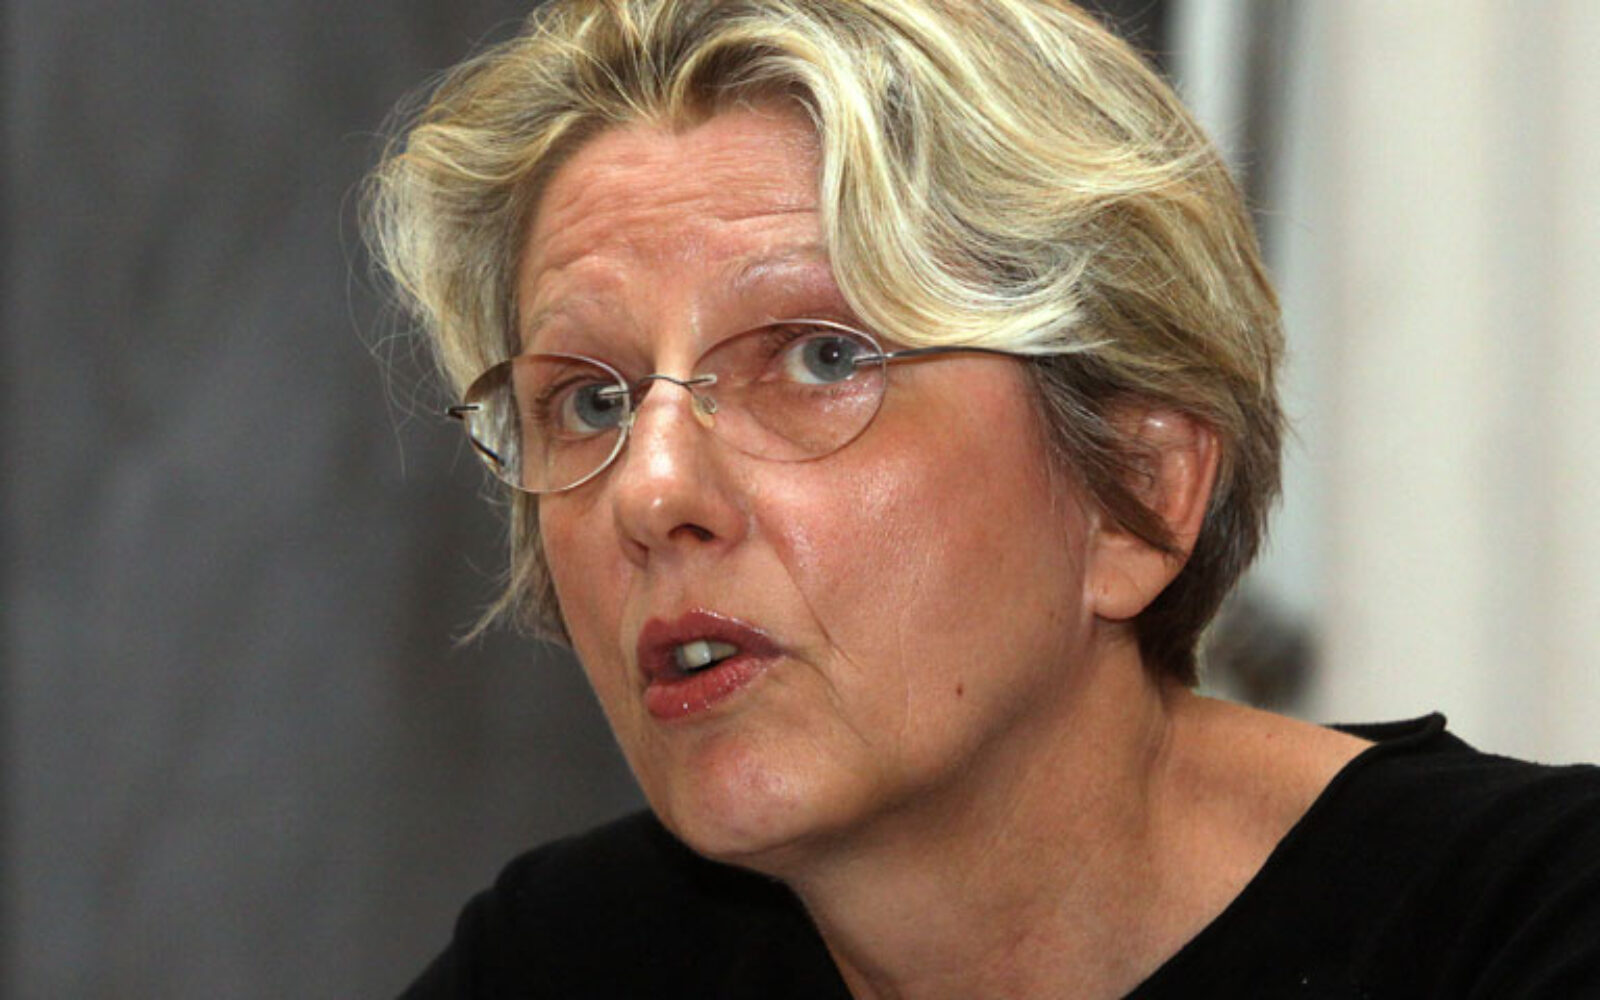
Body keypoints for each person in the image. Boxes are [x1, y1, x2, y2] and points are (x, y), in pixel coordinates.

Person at [366, 1, 1600, 996]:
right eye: (590, 400)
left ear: (1136, 492)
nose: (650, 488)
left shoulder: (1532, 928)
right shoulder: (572, 959)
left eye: (821, 357)